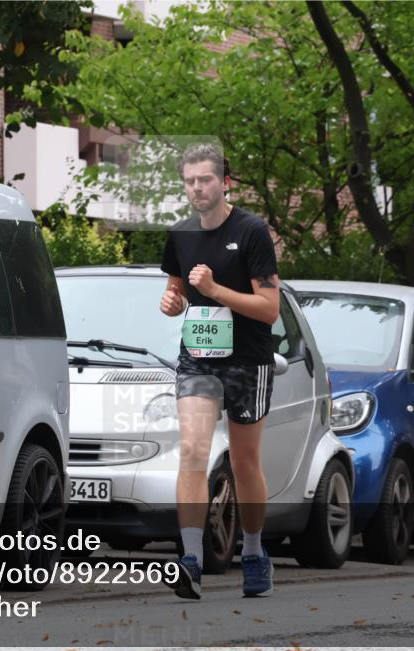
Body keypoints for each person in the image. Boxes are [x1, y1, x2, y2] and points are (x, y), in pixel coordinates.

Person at [159, 143, 280, 599]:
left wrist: (215, 289)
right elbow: (176, 293)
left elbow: (269, 309)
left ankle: (253, 551)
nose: (197, 188)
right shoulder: (181, 234)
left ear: (224, 182)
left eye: (205, 179)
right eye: (190, 181)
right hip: (198, 357)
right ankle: (189, 560)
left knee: (245, 461)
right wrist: (172, 304)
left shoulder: (251, 232)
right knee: (192, 450)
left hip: (248, 358)